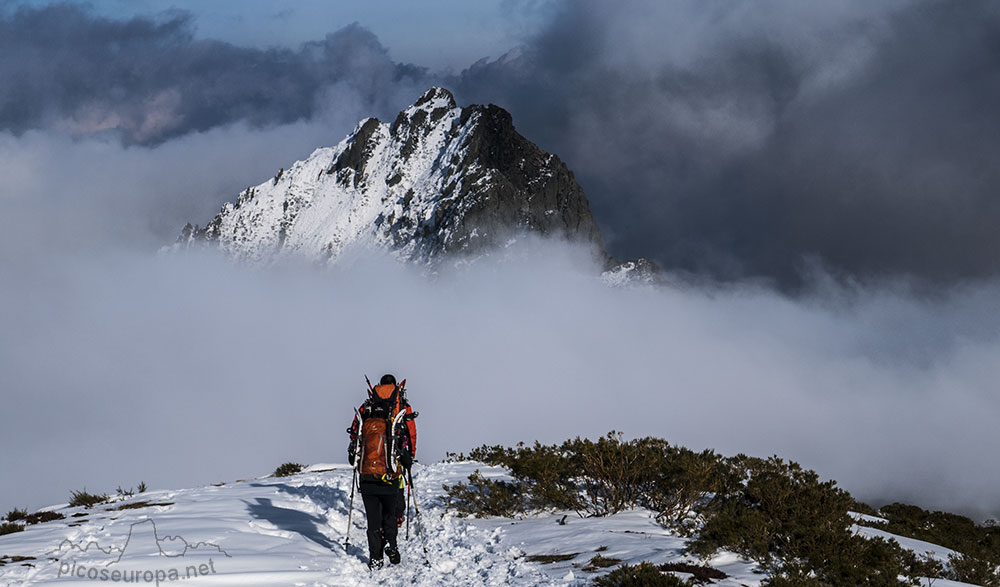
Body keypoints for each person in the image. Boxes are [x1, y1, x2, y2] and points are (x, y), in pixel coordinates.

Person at [347, 374, 417, 570]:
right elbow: (410, 433)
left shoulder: (367, 407)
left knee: (373, 520)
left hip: (367, 473)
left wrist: (355, 457)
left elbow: (355, 433)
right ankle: (392, 546)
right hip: (391, 472)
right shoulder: (400, 406)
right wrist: (408, 458)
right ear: (395, 387)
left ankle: (375, 558)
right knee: (389, 515)